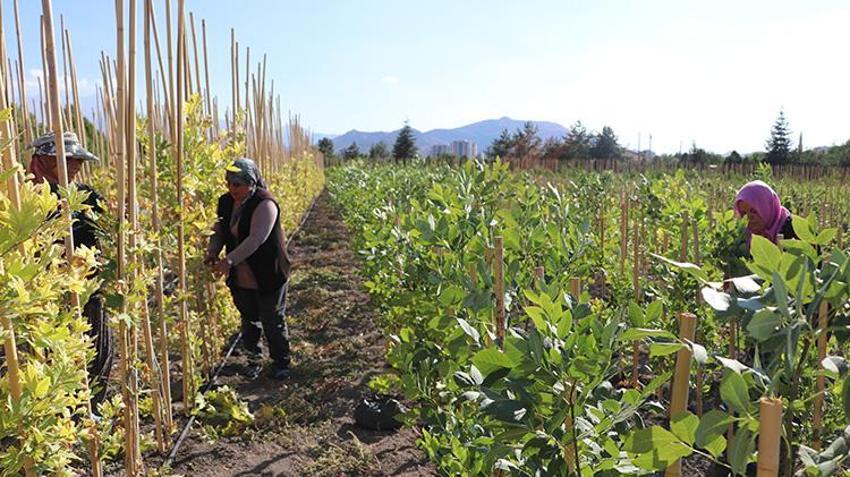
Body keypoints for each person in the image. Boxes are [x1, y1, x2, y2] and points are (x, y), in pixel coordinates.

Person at [27, 132, 114, 406]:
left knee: (98, 346)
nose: (76, 165)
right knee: (55, 352)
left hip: (87, 284)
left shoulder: (83, 193)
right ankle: (64, 410)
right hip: (45, 290)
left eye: (78, 160)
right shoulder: (26, 197)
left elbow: (111, 219)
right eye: (69, 159)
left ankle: (92, 408)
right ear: (43, 159)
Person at [206, 158, 292, 380]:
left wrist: (229, 260)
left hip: (268, 272)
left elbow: (256, 239)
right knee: (248, 317)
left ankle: (282, 363)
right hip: (242, 274)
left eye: (237, 184)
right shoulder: (225, 202)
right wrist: (213, 252)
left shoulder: (266, 203)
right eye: (229, 183)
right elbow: (219, 231)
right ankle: (254, 360)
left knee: (272, 318)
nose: (232, 189)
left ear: (251, 182)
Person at [734, 180, 796, 247]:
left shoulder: (792, 230)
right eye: (744, 213)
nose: (749, 218)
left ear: (767, 207)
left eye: (754, 211)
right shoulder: (742, 236)